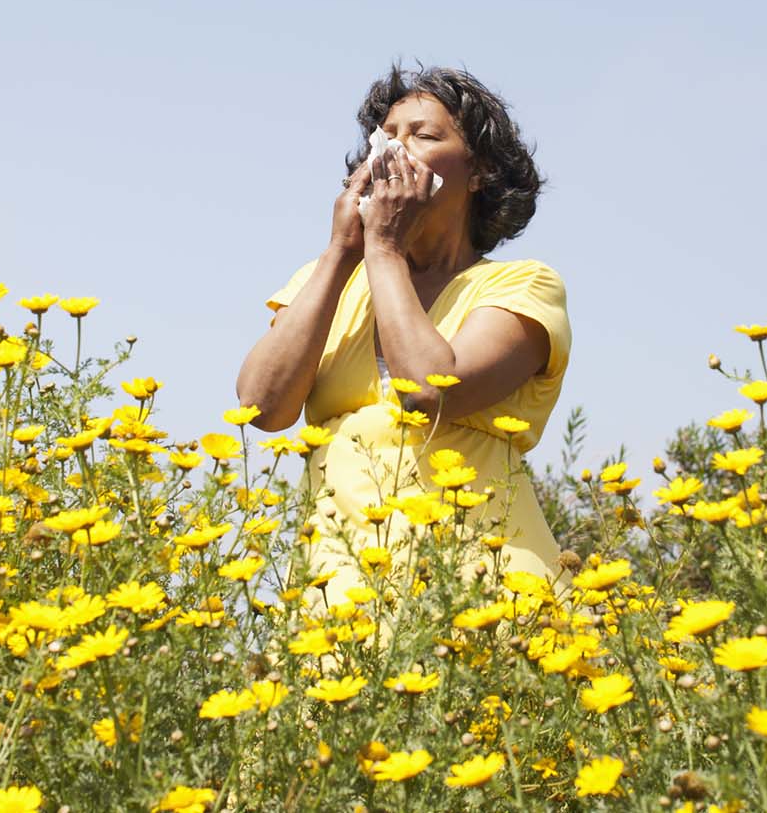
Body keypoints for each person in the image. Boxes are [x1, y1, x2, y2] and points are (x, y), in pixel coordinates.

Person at [234, 63, 572, 620]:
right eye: (387, 135)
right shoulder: (329, 281)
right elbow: (261, 407)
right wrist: (344, 250)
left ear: (479, 172)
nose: (396, 149)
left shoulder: (522, 285)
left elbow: (430, 392)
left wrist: (385, 249)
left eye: (424, 135)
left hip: (480, 592)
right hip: (340, 595)